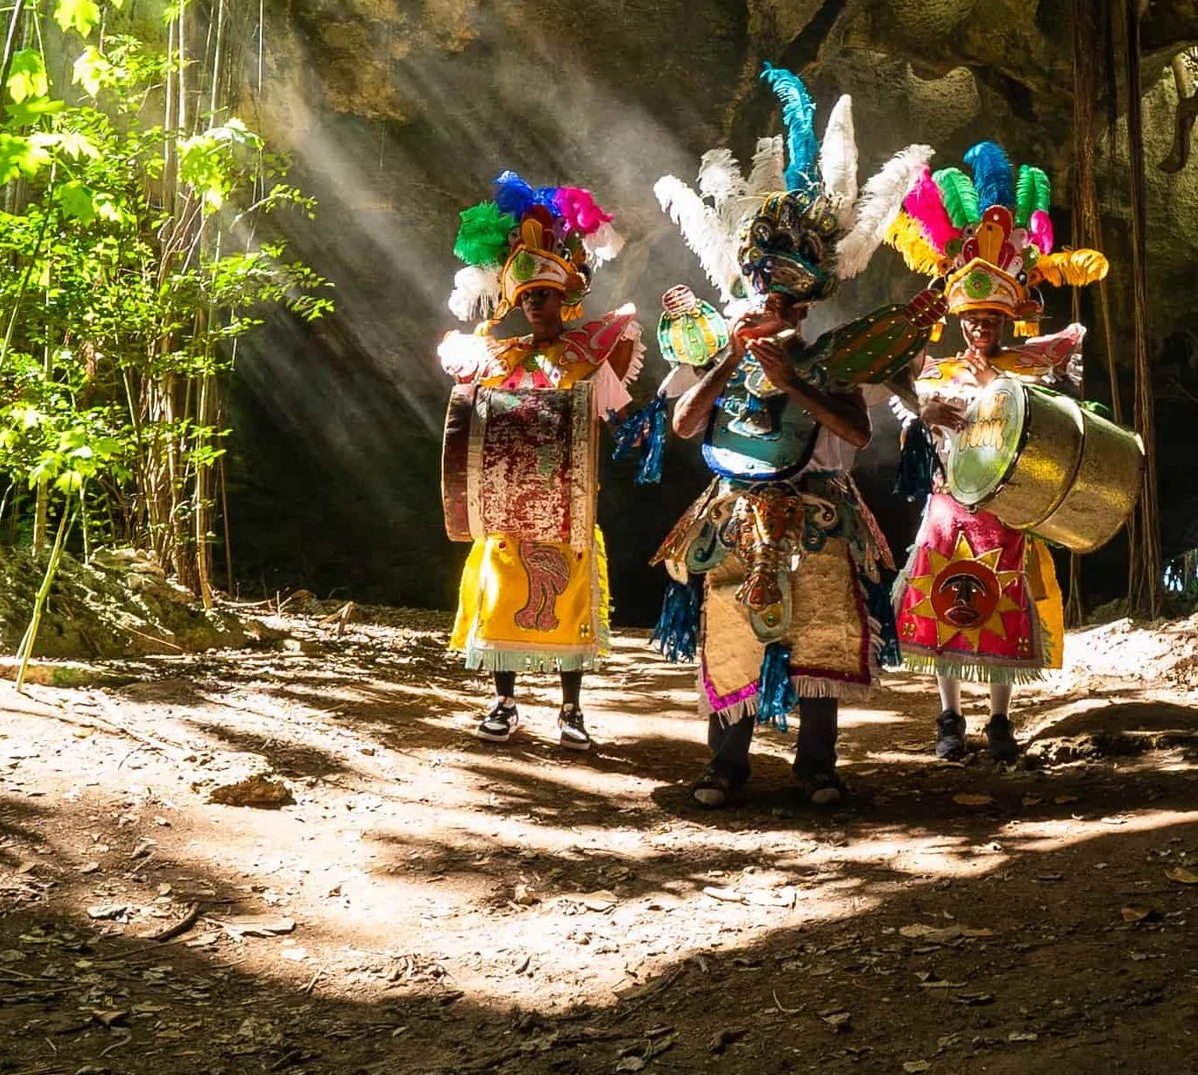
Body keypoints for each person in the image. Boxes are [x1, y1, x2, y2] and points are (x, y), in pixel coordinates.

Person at [650, 67, 933, 808]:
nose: (771, 306)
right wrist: (733, 364)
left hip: (816, 510)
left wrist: (794, 380)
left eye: (784, 298)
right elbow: (683, 426)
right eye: (763, 293)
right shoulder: (718, 350)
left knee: (822, 638)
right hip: (735, 508)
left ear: (803, 309)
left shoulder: (831, 360)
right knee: (732, 633)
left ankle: (817, 769)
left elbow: (855, 430)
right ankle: (725, 766)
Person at [884, 143, 1108, 762]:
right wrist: (923, 410)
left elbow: (1062, 422)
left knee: (1007, 604)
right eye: (974, 317)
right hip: (950, 503)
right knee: (941, 603)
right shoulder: (936, 371)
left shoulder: (1028, 367)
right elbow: (898, 403)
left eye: (991, 317)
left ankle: (1001, 721)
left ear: (1007, 319)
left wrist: (1067, 378)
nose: (982, 326)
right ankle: (949, 719)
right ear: (960, 319)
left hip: (1009, 507)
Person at [438, 174, 639, 747]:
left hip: (566, 506)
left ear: (565, 297)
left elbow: (619, 362)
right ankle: (503, 700)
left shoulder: (586, 354)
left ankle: (570, 710)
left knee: (570, 597)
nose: (535, 305)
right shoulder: (498, 356)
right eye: (525, 297)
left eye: (545, 295)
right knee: (503, 596)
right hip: (508, 505)